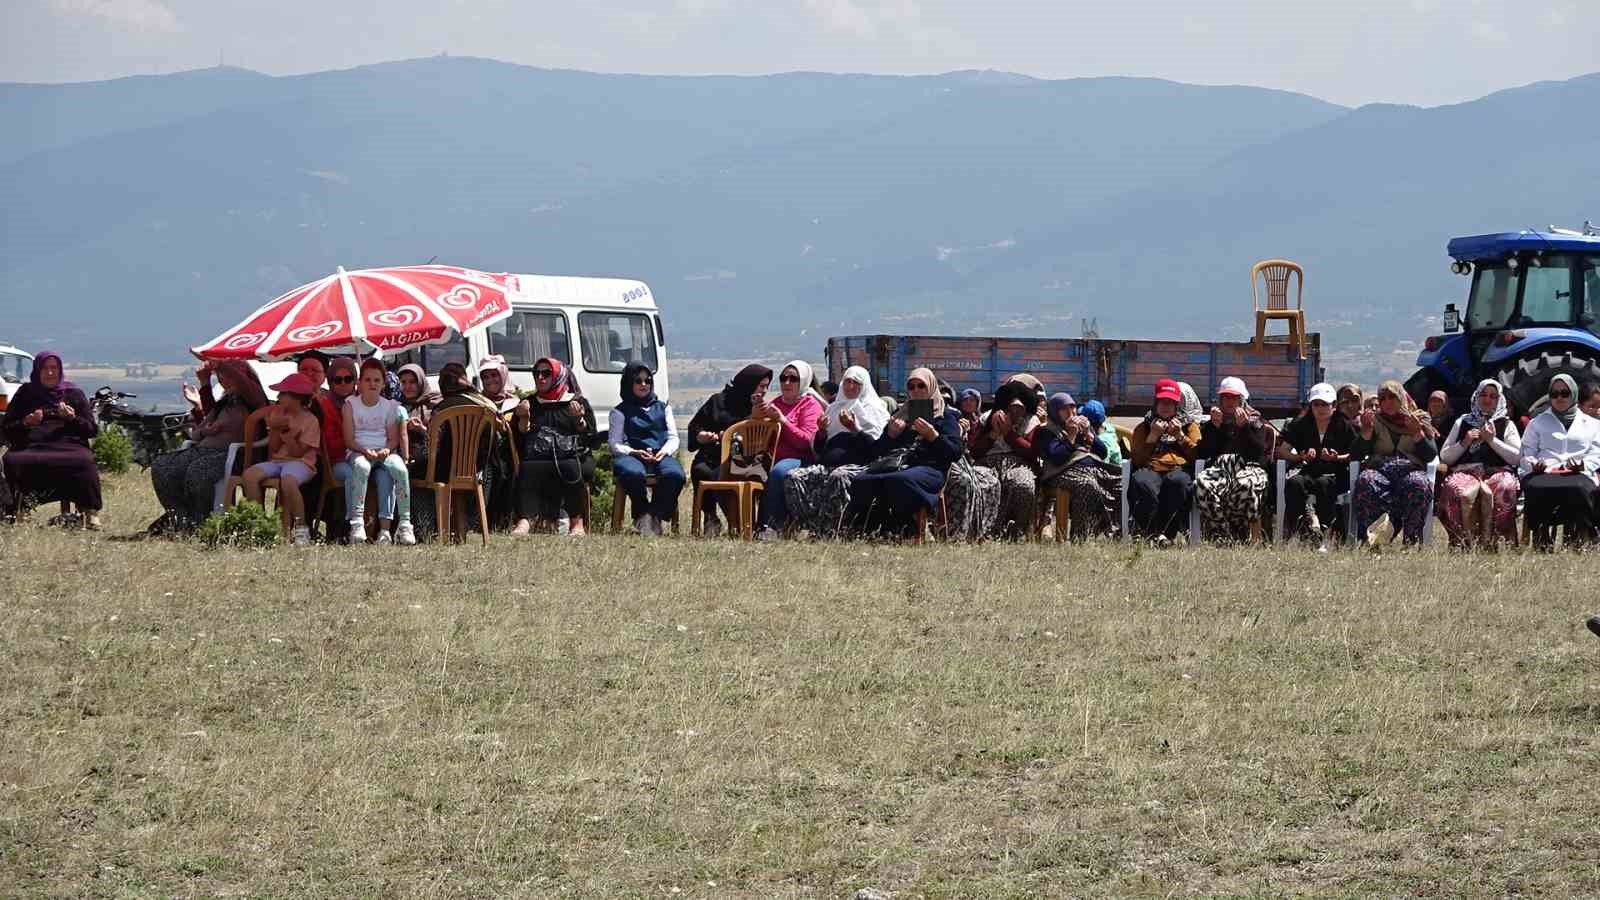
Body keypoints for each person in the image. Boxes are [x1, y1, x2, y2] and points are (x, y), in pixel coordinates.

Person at [149, 359, 269, 533]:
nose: (223, 380)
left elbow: (242, 381)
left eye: (228, 376)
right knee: (162, 466)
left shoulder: (253, 399)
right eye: (220, 377)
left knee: (199, 470)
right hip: (204, 450)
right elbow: (200, 429)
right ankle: (180, 517)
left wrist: (221, 360)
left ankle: (202, 521)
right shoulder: (223, 403)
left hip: (234, 456)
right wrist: (205, 383)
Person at [843, 367, 963, 538]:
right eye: (911, 387)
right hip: (898, 465)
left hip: (930, 468)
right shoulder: (900, 414)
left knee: (901, 480)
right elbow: (876, 451)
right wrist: (890, 436)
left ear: (931, 387)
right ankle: (871, 529)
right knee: (862, 480)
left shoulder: (945, 416)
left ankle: (909, 527)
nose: (916, 391)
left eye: (921, 386)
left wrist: (933, 436)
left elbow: (955, 452)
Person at [783, 365, 889, 537]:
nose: (850, 386)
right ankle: (812, 526)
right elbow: (818, 447)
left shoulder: (874, 409)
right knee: (793, 477)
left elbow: (876, 448)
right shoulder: (833, 409)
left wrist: (854, 428)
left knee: (838, 477)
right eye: (847, 381)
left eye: (856, 383)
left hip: (860, 463)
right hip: (828, 462)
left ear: (864, 386)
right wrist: (822, 432)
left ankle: (836, 529)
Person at [2, 352, 102, 527]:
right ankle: (18, 510)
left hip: (69, 446)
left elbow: (92, 430)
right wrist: (27, 422)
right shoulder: (26, 393)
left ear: (60, 370)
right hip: (31, 446)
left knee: (84, 461)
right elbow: (6, 428)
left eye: (53, 368)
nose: (49, 373)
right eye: (45, 368)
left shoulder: (74, 394)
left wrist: (73, 418)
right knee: (13, 460)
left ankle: (90, 510)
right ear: (37, 370)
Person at [685, 364, 772, 537]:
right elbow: (696, 426)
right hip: (712, 454)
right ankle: (710, 517)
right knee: (701, 469)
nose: (764, 391)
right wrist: (701, 435)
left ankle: (738, 524)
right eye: (761, 386)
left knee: (721, 473)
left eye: (766, 387)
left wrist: (734, 434)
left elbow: (759, 434)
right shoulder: (718, 401)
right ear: (749, 383)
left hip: (742, 458)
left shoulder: (759, 408)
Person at [513, 357, 596, 536]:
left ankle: (577, 523)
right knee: (527, 468)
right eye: (537, 373)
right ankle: (525, 521)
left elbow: (589, 436)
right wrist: (523, 418)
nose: (540, 378)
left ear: (558, 376)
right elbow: (519, 437)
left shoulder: (575, 402)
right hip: (538, 456)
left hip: (569, 456)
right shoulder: (530, 403)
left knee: (571, 467)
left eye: (546, 373)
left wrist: (578, 419)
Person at [335, 358, 415, 545]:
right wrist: (365, 450)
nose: (372, 384)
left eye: (377, 380)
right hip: (359, 450)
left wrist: (387, 450)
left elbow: (393, 437)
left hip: (383, 452)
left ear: (383, 383)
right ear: (360, 382)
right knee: (361, 467)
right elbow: (349, 439)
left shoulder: (390, 406)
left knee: (400, 469)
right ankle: (357, 523)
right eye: (368, 380)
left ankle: (404, 524)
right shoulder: (350, 405)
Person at [1518, 374, 1600, 550]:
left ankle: (1580, 537)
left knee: (1579, 488)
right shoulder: (1537, 422)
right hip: (1545, 472)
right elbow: (1526, 452)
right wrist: (1534, 463)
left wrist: (1584, 464)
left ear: (1574, 394)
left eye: (1564, 393)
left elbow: (1597, 452)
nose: (1559, 398)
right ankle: (1542, 538)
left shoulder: (1593, 424)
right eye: (1554, 394)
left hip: (1578, 473)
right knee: (1536, 488)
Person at [1351, 380, 1438, 546]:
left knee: (1419, 484)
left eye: (1392, 397)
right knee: (1366, 480)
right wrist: (1366, 432)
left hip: (1409, 470)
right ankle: (1370, 540)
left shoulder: (1419, 419)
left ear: (1402, 397)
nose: (1387, 402)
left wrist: (1417, 433)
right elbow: (1356, 454)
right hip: (1381, 471)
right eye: (1382, 398)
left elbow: (1430, 455)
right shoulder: (1375, 420)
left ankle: (1411, 541)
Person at [1437, 379, 1521, 549]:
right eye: (1483, 395)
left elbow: (1516, 458)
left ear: (1499, 400)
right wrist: (1464, 442)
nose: (1487, 399)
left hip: (1497, 471)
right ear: (1476, 396)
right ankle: (1463, 541)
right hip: (1467, 471)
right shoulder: (1462, 422)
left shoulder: (1506, 424)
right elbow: (1445, 457)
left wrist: (1492, 440)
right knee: (1456, 489)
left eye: (1492, 396)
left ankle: (1497, 542)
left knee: (1505, 487)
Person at [242, 373, 322, 546]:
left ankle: (301, 528)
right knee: (249, 475)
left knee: (288, 481)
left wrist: (287, 434)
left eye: (282, 394)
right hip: (278, 462)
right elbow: (274, 449)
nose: (277, 397)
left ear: (296, 398)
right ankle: (259, 524)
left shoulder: (310, 421)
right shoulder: (278, 415)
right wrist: (276, 430)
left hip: (302, 463)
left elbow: (298, 453)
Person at [752, 360, 824, 539]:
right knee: (735, 470)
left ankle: (771, 526)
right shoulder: (775, 403)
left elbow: (806, 442)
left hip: (800, 457)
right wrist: (757, 413)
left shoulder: (809, 405)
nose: (787, 383)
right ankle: (741, 524)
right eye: (783, 378)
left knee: (778, 472)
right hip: (771, 456)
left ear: (804, 381)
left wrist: (782, 421)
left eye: (793, 379)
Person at [609, 363, 683, 537]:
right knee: (633, 473)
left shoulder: (663, 408)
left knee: (675, 474)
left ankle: (654, 515)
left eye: (647, 380)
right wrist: (633, 452)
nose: (644, 384)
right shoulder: (619, 411)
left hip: (659, 454)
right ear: (628, 383)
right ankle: (642, 513)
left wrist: (664, 452)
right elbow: (614, 443)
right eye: (638, 381)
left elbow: (673, 438)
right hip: (631, 455)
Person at [1194, 376, 1270, 542]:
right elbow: (1204, 452)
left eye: (1234, 398)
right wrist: (1214, 428)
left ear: (1242, 400)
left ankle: (1255, 537)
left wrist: (1243, 428)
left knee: (1247, 483)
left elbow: (1258, 452)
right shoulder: (1213, 422)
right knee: (1202, 483)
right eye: (1225, 397)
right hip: (1221, 469)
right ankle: (1222, 533)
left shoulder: (1255, 421)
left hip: (1250, 467)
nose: (1229, 402)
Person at [1038, 392, 1121, 541]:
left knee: (1120, 482)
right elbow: (1057, 457)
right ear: (1055, 411)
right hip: (1059, 473)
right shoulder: (1046, 430)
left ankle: (1119, 530)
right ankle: (1080, 536)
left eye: (1073, 408)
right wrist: (1070, 436)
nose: (1071, 413)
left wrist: (1090, 435)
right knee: (1086, 483)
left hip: (1089, 469)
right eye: (1065, 409)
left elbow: (1102, 452)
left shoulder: (1081, 427)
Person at [1279, 383, 1356, 541]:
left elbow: (1354, 454)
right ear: (1311, 406)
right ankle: (1297, 529)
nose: (1320, 408)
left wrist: (1336, 458)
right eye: (1316, 404)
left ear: (1334, 406)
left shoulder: (1345, 425)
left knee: (1324, 484)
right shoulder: (1300, 424)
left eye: (1325, 404)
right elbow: (1282, 451)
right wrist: (1301, 457)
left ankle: (1326, 531)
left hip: (1337, 474)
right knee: (1295, 483)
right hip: (1310, 471)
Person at [1128, 378, 1201, 545]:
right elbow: (1137, 460)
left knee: (1178, 482)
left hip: (1178, 469)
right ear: (1155, 403)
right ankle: (1152, 532)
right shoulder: (1144, 427)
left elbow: (1197, 456)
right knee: (1142, 482)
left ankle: (1169, 533)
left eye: (1170, 403)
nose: (1166, 406)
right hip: (1151, 468)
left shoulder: (1189, 426)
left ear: (1177, 405)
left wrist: (1180, 437)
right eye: (1162, 402)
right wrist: (1152, 437)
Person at [970, 378, 1042, 538]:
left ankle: (1017, 530)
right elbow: (974, 451)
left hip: (1019, 463)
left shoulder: (1031, 420)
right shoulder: (987, 418)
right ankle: (984, 531)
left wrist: (1009, 433)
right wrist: (993, 434)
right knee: (981, 483)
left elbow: (1032, 452)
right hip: (988, 462)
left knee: (1023, 485)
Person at [396, 363, 441, 480]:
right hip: (402, 459)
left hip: (430, 461)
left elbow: (442, 439)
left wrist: (422, 429)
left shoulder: (433, 403)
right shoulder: (395, 406)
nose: (407, 386)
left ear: (421, 382)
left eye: (412, 382)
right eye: (403, 382)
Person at [1084, 400, 1123, 466]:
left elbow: (1103, 464)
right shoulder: (1108, 428)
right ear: (1104, 417)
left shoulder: (1103, 442)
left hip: (1115, 472)